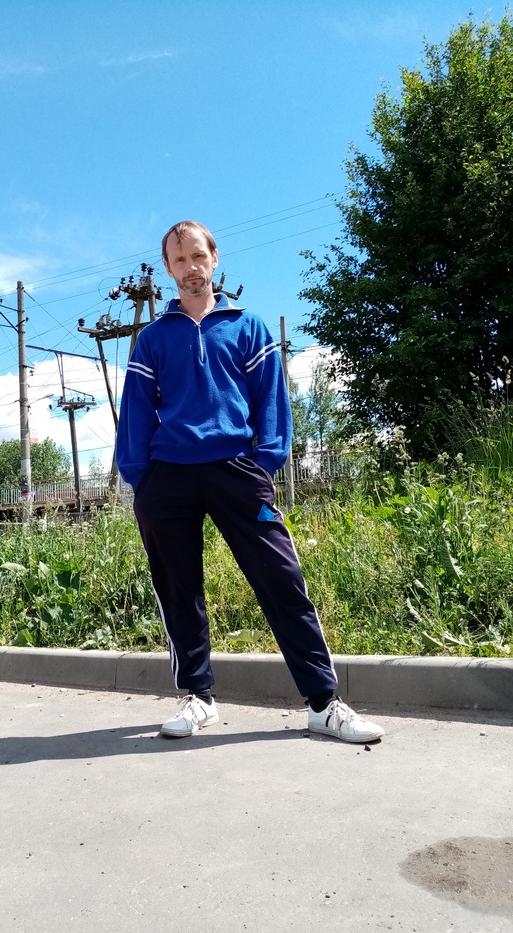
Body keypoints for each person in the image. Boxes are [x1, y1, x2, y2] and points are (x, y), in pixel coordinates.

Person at [116, 220, 384, 744]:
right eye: (179, 260)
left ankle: (324, 704)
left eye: (198, 256)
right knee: (178, 589)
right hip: (167, 477)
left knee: (281, 579)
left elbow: (271, 401)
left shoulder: (248, 327)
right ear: (168, 269)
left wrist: (264, 464)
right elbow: (136, 413)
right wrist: (141, 479)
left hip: (237, 470)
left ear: (214, 258)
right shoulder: (153, 338)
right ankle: (198, 697)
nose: (190, 267)